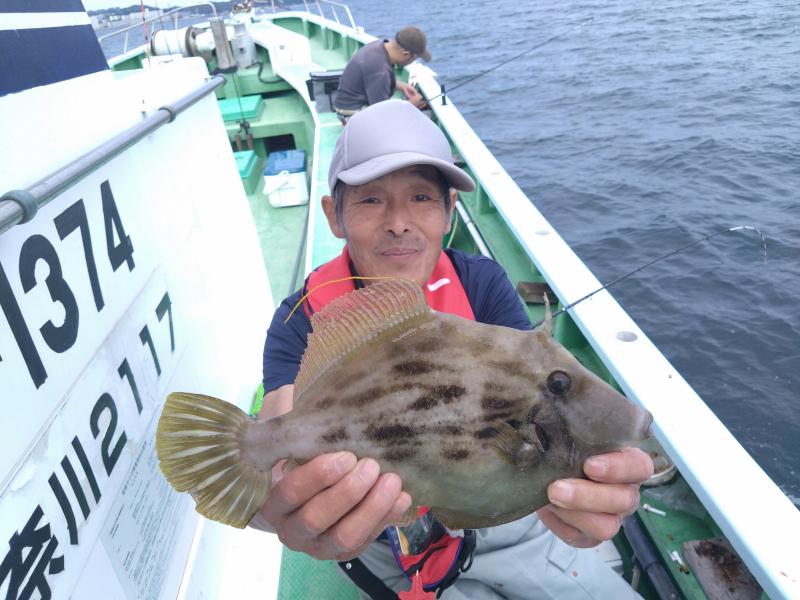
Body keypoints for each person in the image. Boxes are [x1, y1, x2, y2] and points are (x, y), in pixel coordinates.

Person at [251, 99, 654, 599]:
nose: (399, 222)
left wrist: (576, 487)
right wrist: (273, 498)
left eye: (421, 197)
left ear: (449, 212)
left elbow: (524, 402)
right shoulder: (301, 320)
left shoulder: (479, 283)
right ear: (335, 216)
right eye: (371, 200)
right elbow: (280, 425)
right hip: (380, 532)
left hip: (492, 510)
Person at [333, 26, 429, 123]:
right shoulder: (381, 72)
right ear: (406, 54)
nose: (411, 62)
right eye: (414, 59)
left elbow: (371, 78)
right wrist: (410, 105)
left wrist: (401, 85)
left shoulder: (380, 45)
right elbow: (382, 115)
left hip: (344, 104)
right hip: (351, 114)